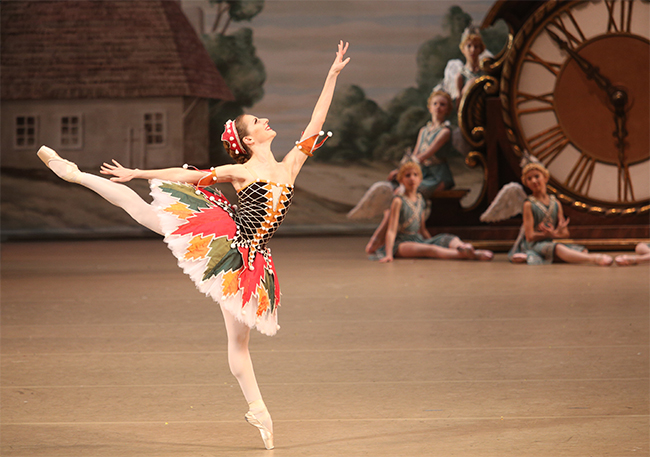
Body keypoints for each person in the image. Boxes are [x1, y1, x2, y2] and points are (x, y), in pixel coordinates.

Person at [36, 40, 351, 450]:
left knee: (238, 346)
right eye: (258, 121)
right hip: (226, 242)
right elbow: (189, 177)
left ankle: (257, 411)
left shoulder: (290, 164)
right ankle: (75, 174)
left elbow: (314, 123)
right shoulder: (239, 171)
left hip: (252, 263)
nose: (266, 120)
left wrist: (331, 76)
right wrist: (137, 171)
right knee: (149, 215)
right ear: (249, 140)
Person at [362, 90, 458, 253]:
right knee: (394, 187)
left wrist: (404, 172)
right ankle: (387, 232)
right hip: (422, 172)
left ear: (448, 109)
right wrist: (400, 172)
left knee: (407, 190)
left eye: (443, 105)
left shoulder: (445, 132)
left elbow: (423, 156)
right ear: (430, 107)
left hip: (437, 176)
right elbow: (414, 155)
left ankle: (383, 236)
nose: (438, 108)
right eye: (435, 104)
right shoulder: (424, 131)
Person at [369, 162, 493, 263]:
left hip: (417, 239)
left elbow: (422, 230)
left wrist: (434, 241)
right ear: (401, 180)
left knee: (447, 238)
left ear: (420, 179)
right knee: (431, 250)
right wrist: (389, 254)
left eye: (415, 175)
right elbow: (391, 230)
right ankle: (472, 255)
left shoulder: (420, 200)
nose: (412, 178)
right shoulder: (398, 201)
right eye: (407, 176)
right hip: (402, 242)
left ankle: (462, 247)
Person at [508, 161, 613, 266]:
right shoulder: (528, 204)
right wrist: (545, 234)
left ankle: (558, 256)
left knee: (581, 251)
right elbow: (529, 236)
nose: (534, 180)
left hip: (549, 242)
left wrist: (554, 233)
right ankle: (594, 258)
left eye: (537, 176)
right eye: (529, 179)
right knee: (557, 248)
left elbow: (565, 234)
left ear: (545, 178)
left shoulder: (555, 203)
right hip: (534, 244)